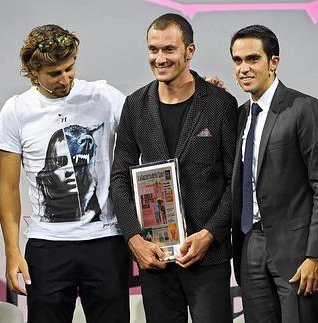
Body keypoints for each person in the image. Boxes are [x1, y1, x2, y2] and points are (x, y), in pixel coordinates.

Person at [0, 24, 130, 322]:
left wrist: (194, 91)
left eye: (70, 68)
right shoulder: (16, 110)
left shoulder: (104, 96)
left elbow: (149, 119)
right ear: (33, 71)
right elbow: (8, 189)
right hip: (47, 245)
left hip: (105, 241)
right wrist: (13, 252)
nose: (65, 78)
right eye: (55, 73)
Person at [110, 13, 238, 323]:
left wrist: (209, 234)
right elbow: (119, 177)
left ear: (189, 51)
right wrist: (133, 239)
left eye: (169, 49)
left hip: (208, 257)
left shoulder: (220, 104)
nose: (159, 58)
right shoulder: (135, 105)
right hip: (156, 257)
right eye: (153, 49)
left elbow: (237, 181)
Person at [229, 25, 318, 322]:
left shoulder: (303, 108)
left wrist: (316, 256)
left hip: (296, 252)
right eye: (237, 61)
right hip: (248, 244)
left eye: (252, 59)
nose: (244, 68)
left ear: (273, 62)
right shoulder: (239, 116)